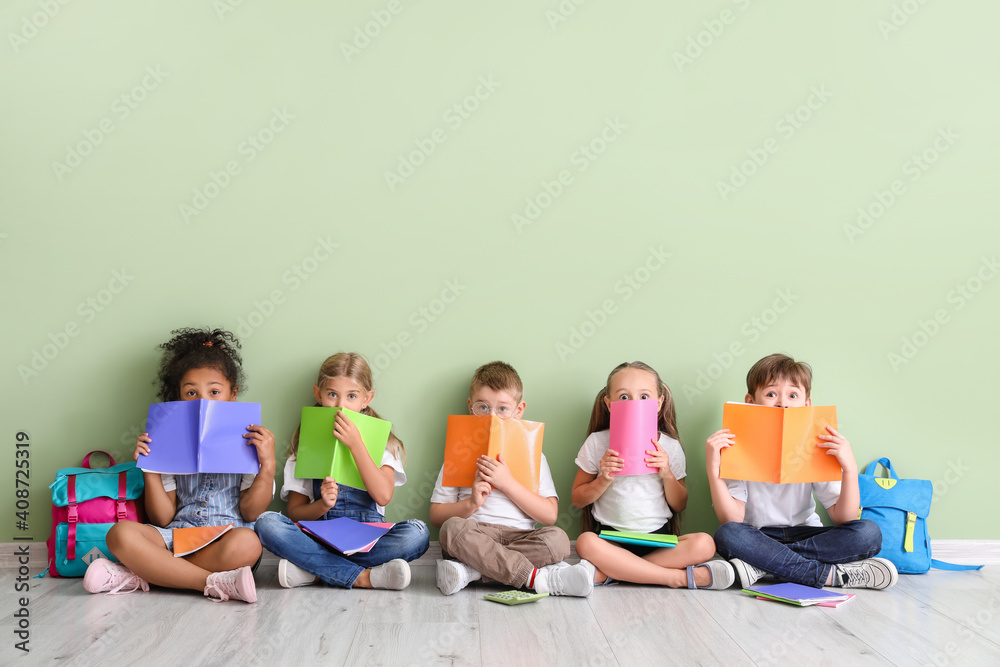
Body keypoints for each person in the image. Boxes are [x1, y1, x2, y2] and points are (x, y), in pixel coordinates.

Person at [84, 327, 275, 603]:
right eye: (191, 392)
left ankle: (145, 574)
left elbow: (251, 510)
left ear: (232, 395)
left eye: (214, 391)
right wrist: (150, 467)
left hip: (226, 538)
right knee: (119, 534)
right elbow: (161, 518)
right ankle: (208, 583)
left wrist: (267, 465)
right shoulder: (166, 438)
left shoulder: (249, 440)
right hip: (175, 535)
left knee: (249, 542)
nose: (202, 400)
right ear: (178, 396)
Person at [706, 353, 897, 590]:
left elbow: (844, 517)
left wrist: (848, 468)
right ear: (751, 401)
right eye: (771, 394)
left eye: (793, 395)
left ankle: (761, 566)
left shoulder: (818, 443)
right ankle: (830, 576)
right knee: (729, 534)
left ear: (807, 404)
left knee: (868, 532)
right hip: (759, 536)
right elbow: (732, 519)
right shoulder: (736, 444)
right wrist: (713, 469)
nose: (782, 403)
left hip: (809, 536)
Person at [254, 352, 429, 589]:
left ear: (366, 399)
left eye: (352, 396)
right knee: (266, 523)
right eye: (332, 394)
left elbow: (383, 495)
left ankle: (316, 572)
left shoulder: (385, 442)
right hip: (320, 539)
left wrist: (357, 444)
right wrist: (323, 505)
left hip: (369, 540)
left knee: (418, 533)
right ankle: (364, 577)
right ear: (318, 394)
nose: (341, 405)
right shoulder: (306, 442)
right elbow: (295, 513)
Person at [430, 361, 593, 597]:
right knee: (451, 529)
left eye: (502, 409)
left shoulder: (533, 454)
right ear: (470, 406)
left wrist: (508, 484)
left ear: (519, 409)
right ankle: (536, 578)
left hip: (521, 536)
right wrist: (471, 503)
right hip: (476, 534)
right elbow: (436, 517)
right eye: (483, 407)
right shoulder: (458, 451)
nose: (492, 417)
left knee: (558, 539)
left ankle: (472, 572)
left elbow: (549, 515)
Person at [573, 361, 733, 589]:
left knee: (705, 544)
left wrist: (666, 473)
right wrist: (604, 479)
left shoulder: (671, 447)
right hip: (612, 541)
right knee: (585, 542)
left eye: (644, 396)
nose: (634, 403)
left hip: (658, 541)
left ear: (659, 403)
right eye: (624, 397)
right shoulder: (597, 442)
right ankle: (675, 578)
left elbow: (680, 504)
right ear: (609, 404)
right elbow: (578, 499)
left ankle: (616, 572)